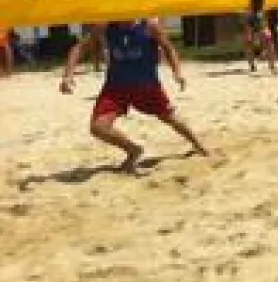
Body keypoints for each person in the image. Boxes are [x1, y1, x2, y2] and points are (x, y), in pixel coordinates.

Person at [60, 20, 207, 173]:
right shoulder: (105, 26)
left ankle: (198, 144)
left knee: (169, 117)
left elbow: (168, 48)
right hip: (116, 87)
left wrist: (177, 72)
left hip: (147, 86)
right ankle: (133, 150)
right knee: (98, 127)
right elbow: (80, 47)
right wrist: (68, 76)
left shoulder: (150, 26)